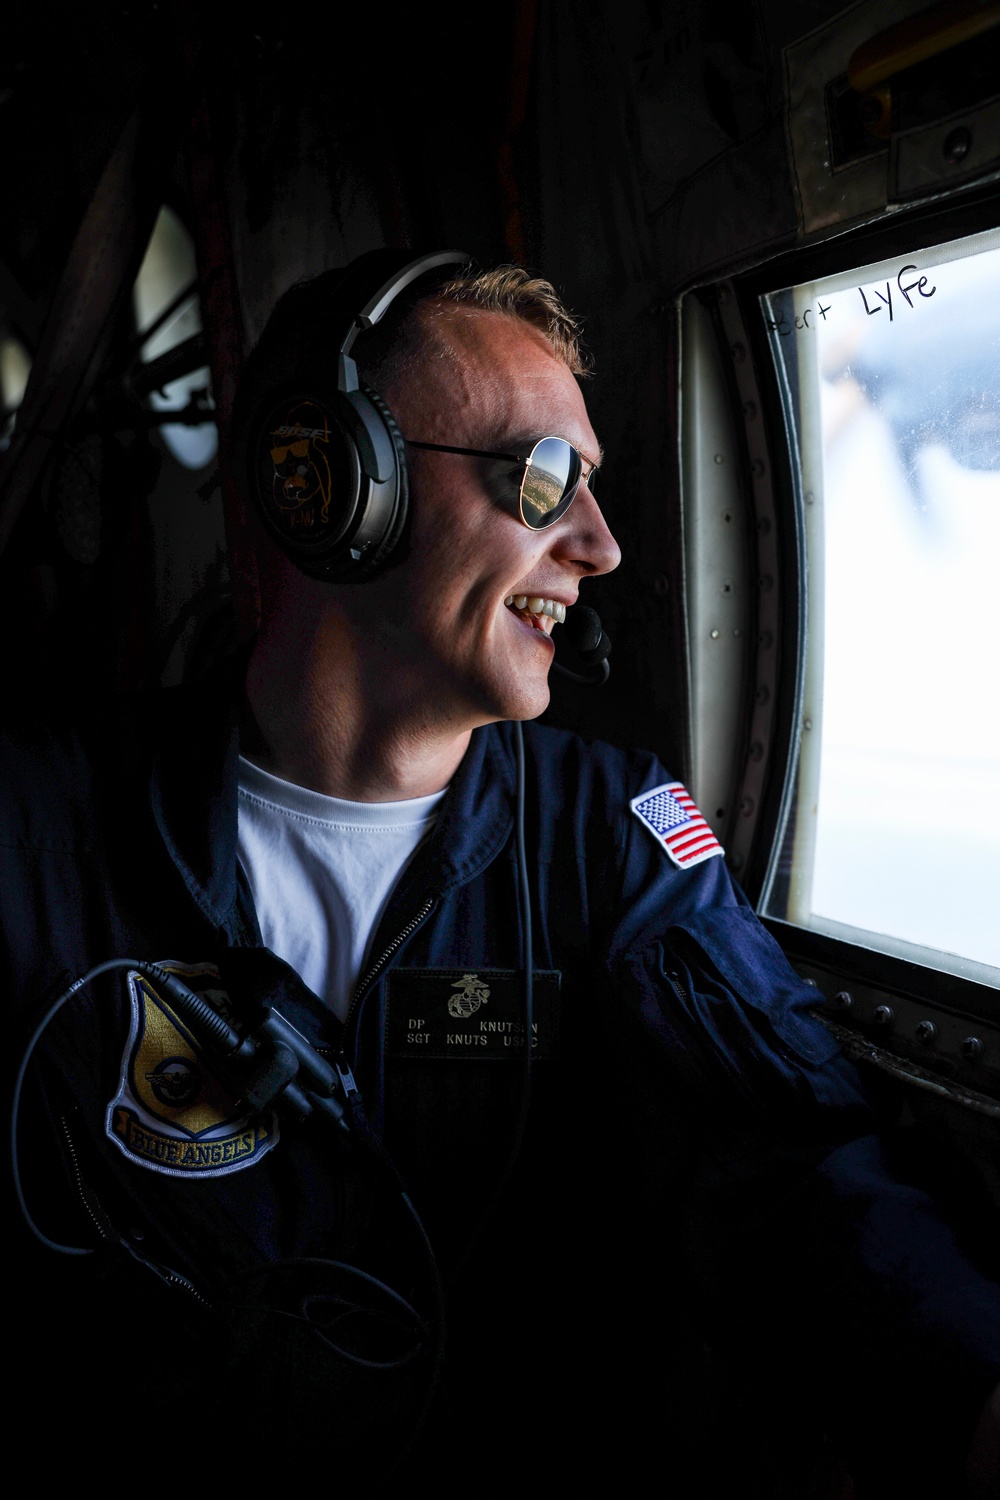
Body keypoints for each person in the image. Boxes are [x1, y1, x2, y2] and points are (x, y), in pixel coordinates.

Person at [8, 250, 999, 1494]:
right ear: (329, 485)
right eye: (542, 481)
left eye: (591, 487)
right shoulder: (34, 822)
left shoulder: (612, 834)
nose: (600, 545)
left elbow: (786, 1163)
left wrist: (971, 1392)